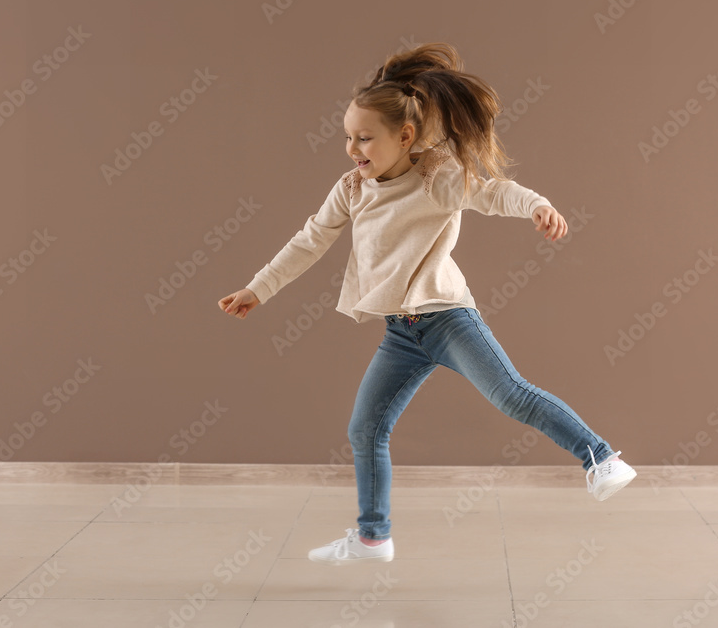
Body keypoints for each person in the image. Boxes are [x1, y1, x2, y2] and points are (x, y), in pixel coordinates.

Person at [218, 42, 636, 566]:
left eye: (365, 138)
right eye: (347, 137)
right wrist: (258, 288)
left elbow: (493, 192)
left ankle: (601, 458)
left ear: (405, 136)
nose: (353, 149)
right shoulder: (352, 189)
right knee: (365, 429)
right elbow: (308, 240)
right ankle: (373, 538)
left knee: (511, 395)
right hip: (401, 333)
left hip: (447, 319)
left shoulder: (436, 178)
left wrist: (539, 205)